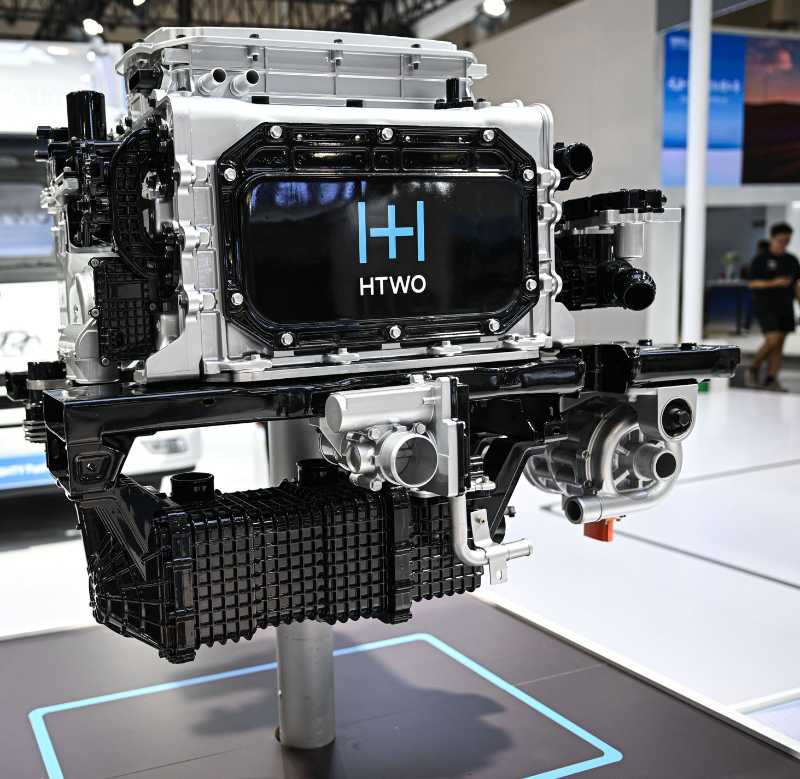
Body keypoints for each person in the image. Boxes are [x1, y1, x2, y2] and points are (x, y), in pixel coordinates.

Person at [746, 222, 800, 391]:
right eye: (781, 240)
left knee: (780, 343)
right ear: (772, 238)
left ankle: (771, 378)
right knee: (773, 339)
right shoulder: (761, 260)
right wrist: (773, 283)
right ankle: (754, 368)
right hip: (766, 306)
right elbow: (752, 283)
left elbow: (796, 285)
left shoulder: (791, 260)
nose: (784, 243)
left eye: (787, 240)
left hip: (786, 306)